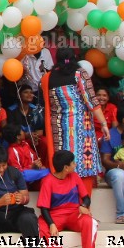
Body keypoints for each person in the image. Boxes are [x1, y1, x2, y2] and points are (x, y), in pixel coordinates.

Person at [42, 49, 109, 188]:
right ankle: (84, 204)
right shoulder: (80, 74)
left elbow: (47, 106)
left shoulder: (47, 78)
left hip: (59, 130)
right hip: (81, 127)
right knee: (84, 166)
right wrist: (103, 123)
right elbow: (91, 101)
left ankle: (65, 203)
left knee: (62, 166)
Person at [37, 150, 102, 248]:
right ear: (66, 168)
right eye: (73, 163)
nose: (75, 165)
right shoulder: (48, 181)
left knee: (90, 222)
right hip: (55, 216)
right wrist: (51, 224)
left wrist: (84, 206)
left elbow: (86, 198)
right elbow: (43, 208)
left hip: (74, 213)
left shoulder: (75, 176)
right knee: (42, 226)